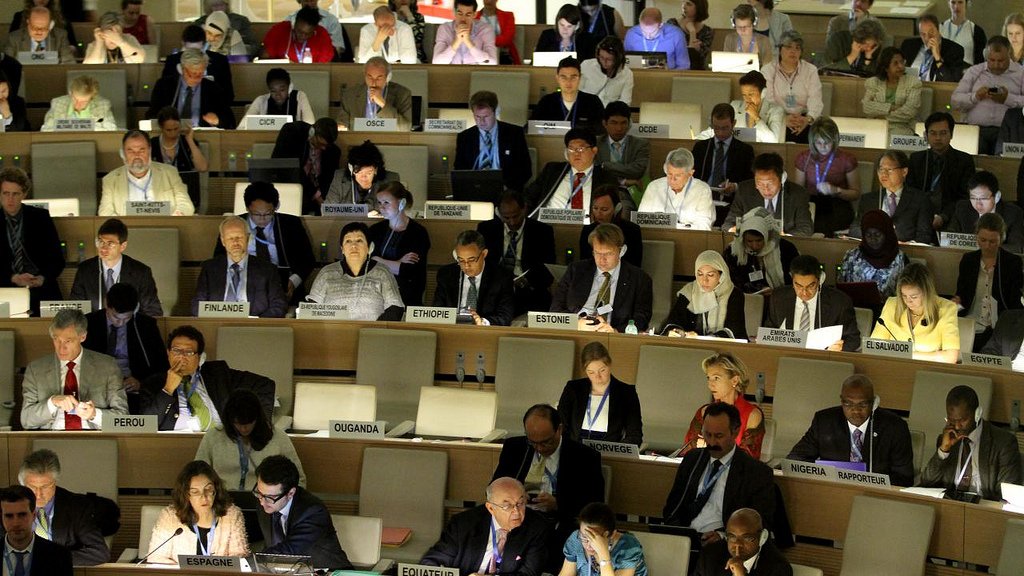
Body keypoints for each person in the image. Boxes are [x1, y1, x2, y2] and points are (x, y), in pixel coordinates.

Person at [491, 404, 603, 573]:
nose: (540, 448)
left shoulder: (584, 457)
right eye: (533, 442)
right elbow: (494, 487)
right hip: (518, 517)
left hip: (558, 523)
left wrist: (558, 504)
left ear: (559, 430)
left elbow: (595, 504)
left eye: (546, 442)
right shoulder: (515, 448)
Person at [663, 402, 775, 549]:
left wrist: (724, 537)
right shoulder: (692, 459)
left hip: (723, 544)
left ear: (735, 432)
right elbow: (672, 506)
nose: (711, 442)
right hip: (685, 537)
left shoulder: (756, 472)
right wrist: (675, 531)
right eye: (707, 434)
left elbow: (759, 523)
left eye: (719, 436)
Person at [139, 325, 276, 432]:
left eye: (188, 352)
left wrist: (257, 426)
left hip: (220, 444)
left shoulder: (218, 374)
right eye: (176, 351)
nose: (181, 357)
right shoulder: (153, 384)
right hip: (177, 445)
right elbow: (145, 425)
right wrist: (167, 390)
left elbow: (265, 385)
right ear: (168, 353)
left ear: (199, 357)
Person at [789, 375, 914, 486]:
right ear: (841, 400)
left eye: (863, 404)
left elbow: (904, 477)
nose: (855, 410)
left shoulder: (895, 428)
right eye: (848, 404)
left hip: (875, 497)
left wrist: (870, 482)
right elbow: (796, 460)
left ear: (874, 403)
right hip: (832, 491)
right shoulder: (824, 421)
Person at [21, 309, 127, 430]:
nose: (61, 348)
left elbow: (123, 418)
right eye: (56, 339)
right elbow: (26, 420)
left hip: (94, 438)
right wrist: (52, 403)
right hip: (50, 437)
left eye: (68, 341)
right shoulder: (36, 369)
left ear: (83, 337)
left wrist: (94, 415)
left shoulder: (107, 366)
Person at [421, 477, 551, 575]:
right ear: (491, 508)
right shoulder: (463, 524)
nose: (516, 511)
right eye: (507, 506)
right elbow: (431, 563)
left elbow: (529, 573)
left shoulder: (537, 527)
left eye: (520, 503)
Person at [216, 182, 316, 306]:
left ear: (275, 207)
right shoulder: (233, 225)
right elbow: (218, 261)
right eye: (256, 214)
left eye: (268, 214)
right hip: (243, 284)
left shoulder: (291, 224)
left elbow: (308, 259)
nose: (262, 219)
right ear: (247, 208)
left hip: (282, 284)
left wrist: (293, 282)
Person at [919, 385, 1021, 500]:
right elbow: (926, 483)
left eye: (962, 420)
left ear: (977, 413)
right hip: (951, 505)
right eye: (952, 420)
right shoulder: (947, 438)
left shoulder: (1003, 443)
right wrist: (943, 450)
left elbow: (1007, 496)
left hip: (984, 509)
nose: (957, 426)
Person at [197, 388, 306, 494]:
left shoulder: (278, 438)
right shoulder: (213, 437)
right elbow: (197, 474)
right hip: (222, 500)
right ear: (229, 420)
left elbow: (298, 480)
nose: (244, 429)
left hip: (266, 501)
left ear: (258, 418)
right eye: (238, 423)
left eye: (249, 423)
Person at [551, 223, 653, 333]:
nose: (602, 260)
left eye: (608, 254)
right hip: (576, 331)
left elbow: (641, 319)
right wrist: (575, 323)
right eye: (597, 253)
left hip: (613, 336)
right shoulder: (576, 270)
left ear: (621, 251)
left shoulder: (639, 278)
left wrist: (615, 331)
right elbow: (556, 308)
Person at [83, 283, 167, 413]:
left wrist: (141, 382)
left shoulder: (145, 325)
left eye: (127, 318)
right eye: (115, 317)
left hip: (131, 387)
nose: (120, 323)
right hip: (98, 386)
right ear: (106, 304)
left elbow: (161, 365)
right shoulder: (88, 323)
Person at [254, 455, 351, 569]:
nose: (262, 502)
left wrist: (249, 561)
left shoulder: (313, 511)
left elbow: (290, 550)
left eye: (270, 497)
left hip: (327, 571)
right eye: (259, 493)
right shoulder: (263, 498)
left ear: (290, 493)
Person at [15, 449, 109, 565]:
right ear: (22, 484)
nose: (38, 495)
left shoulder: (78, 506)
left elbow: (99, 553)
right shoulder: (5, 506)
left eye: (45, 487)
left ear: (55, 482)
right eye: (32, 487)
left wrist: (50, 558)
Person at [145, 460, 248, 564]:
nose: (203, 497)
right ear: (185, 494)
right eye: (195, 492)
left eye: (208, 489)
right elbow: (156, 557)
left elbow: (239, 558)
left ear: (216, 490)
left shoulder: (231, 515)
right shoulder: (169, 517)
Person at [952, 212, 1024, 350]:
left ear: (1001, 240)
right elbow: (961, 294)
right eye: (983, 240)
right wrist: (957, 302)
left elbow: (1014, 301)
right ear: (976, 236)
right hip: (971, 320)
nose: (987, 246)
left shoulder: (1011, 262)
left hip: (1000, 326)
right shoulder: (968, 260)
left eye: (992, 242)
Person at [192, 216, 288, 318]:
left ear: (247, 238)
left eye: (239, 237)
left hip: (254, 327)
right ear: (223, 241)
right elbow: (197, 305)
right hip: (217, 323)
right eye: (230, 238)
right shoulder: (209, 268)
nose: (235, 242)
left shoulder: (267, 270)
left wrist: (258, 322)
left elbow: (279, 305)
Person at [478, 190, 556, 315]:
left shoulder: (542, 231)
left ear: (524, 209)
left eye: (516, 216)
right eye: (506, 217)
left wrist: (525, 281)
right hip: (495, 289)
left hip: (527, 290)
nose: (512, 222)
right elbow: (482, 264)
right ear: (498, 212)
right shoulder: (486, 229)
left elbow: (548, 271)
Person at [307, 221, 405, 321]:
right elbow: (311, 309)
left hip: (371, 333)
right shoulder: (327, 273)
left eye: (359, 240)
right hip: (333, 333)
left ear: (369, 247)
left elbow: (395, 307)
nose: (353, 246)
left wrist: (374, 331)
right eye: (348, 241)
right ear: (342, 249)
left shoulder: (382, 272)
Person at [0, 167, 64, 315]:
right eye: (6, 193)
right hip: (5, 288)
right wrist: (13, 277)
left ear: (24, 194)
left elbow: (57, 259)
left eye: (15, 194)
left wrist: (42, 278)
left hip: (40, 286)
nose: (10, 199)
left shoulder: (40, 217)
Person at [766, 255, 859, 351]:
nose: (804, 293)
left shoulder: (839, 302)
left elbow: (853, 339)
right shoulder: (778, 298)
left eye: (811, 286)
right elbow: (769, 331)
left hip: (823, 360)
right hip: (787, 357)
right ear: (791, 278)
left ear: (820, 279)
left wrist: (840, 348)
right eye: (798, 286)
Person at [871, 262, 960, 363]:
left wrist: (906, 355)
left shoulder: (947, 308)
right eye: (904, 295)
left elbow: (951, 357)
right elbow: (874, 347)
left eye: (914, 297)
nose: (908, 301)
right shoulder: (892, 304)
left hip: (928, 372)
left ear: (927, 293)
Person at [70, 218, 162, 316]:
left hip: (129, 328)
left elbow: (152, 311)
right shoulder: (85, 270)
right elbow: (76, 308)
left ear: (123, 246)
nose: (103, 248)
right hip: (94, 328)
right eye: (101, 242)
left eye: (110, 244)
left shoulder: (140, 272)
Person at [681, 353, 764, 459]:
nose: (710, 384)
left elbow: (747, 461)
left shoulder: (752, 415)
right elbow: (687, 452)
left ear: (734, 380)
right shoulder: (704, 411)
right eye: (708, 378)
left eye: (716, 378)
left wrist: (708, 448)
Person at [558, 342, 643, 445]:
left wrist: (618, 451)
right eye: (591, 372)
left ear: (609, 364)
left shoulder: (626, 393)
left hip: (609, 450)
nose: (597, 377)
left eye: (602, 370)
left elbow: (635, 434)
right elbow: (560, 425)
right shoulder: (573, 389)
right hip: (575, 448)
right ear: (585, 371)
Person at [952, 36, 1023, 155]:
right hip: (976, 129)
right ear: (986, 56)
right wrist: (975, 97)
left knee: (1001, 160)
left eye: (1001, 61)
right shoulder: (974, 71)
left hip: (1008, 132)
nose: (996, 65)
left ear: (1009, 55)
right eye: (991, 60)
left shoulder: (1020, 73)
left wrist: (1007, 99)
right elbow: (954, 100)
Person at [99, 131, 194, 217]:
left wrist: (176, 216)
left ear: (150, 151)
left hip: (164, 229)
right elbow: (105, 212)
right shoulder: (110, 180)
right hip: (129, 232)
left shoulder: (170, 173)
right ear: (123, 153)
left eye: (142, 150)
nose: (136, 155)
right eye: (130, 150)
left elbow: (186, 204)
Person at [792, 118, 860, 236]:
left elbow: (856, 194)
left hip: (838, 202)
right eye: (819, 143)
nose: (823, 147)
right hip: (811, 202)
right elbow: (798, 192)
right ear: (812, 142)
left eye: (827, 142)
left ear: (835, 140)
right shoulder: (803, 158)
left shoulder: (847, 159)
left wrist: (837, 190)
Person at [907, 111, 974, 231]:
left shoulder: (964, 160)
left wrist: (943, 216)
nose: (938, 138)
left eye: (943, 133)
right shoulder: (916, 159)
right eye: (933, 133)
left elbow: (964, 197)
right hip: (919, 216)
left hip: (952, 217)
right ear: (926, 135)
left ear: (951, 134)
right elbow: (910, 192)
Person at [454, 90, 532, 192]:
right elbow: (459, 171)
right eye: (477, 116)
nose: (481, 122)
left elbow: (525, 170)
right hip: (475, 191)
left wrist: (507, 188)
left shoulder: (514, 134)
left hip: (506, 192)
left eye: (486, 116)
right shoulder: (465, 137)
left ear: (496, 112)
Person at [433, 230, 515, 326]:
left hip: (484, 333)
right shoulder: (446, 275)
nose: (466, 266)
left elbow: (505, 316)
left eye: (471, 260)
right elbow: (437, 311)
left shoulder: (502, 277)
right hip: (451, 329)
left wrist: (482, 322)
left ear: (484, 254)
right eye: (461, 260)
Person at [528, 128, 620, 212]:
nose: (576, 154)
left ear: (594, 151)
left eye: (580, 149)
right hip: (549, 225)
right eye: (571, 149)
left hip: (588, 228)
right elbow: (529, 196)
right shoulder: (552, 170)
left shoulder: (606, 177)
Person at [367, 182, 429, 306]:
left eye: (386, 202)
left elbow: (408, 271)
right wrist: (397, 263)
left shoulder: (418, 233)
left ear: (402, 203)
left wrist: (378, 259)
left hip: (406, 297)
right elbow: (368, 264)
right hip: (375, 295)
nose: (381, 207)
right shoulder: (375, 230)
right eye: (379, 202)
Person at [853, 150, 934, 244]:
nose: (884, 174)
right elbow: (854, 230)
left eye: (889, 170)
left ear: (904, 171)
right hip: (873, 251)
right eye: (881, 169)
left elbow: (924, 236)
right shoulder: (868, 200)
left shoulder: (920, 199)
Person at [724, 152, 812, 236]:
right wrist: (733, 230)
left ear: (782, 179)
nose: (765, 189)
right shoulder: (744, 190)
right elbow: (728, 224)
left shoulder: (798, 194)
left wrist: (785, 237)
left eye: (770, 183)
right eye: (760, 184)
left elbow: (806, 229)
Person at [146, 48, 236, 129]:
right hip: (171, 134)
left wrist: (218, 120)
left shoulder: (213, 89)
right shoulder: (164, 86)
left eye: (200, 73)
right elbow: (151, 115)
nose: (196, 78)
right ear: (182, 69)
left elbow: (230, 121)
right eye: (192, 73)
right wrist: (165, 120)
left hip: (203, 137)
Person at [664, 250, 746, 339]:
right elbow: (675, 320)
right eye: (700, 274)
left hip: (723, 346)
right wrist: (676, 331)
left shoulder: (733, 294)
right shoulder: (689, 291)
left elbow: (735, 329)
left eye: (710, 275)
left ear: (721, 275)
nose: (704, 280)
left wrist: (707, 338)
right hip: (690, 346)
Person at [760, 31, 821, 144]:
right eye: (788, 47)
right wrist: (783, 119)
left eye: (797, 48)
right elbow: (768, 100)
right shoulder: (767, 71)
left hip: (803, 119)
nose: (793, 51)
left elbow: (815, 98)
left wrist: (807, 119)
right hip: (776, 119)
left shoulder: (810, 70)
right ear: (780, 49)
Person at [271, 118, 341, 214]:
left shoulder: (333, 151)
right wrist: (317, 196)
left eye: (327, 146)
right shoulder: (292, 133)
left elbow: (329, 179)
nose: (323, 148)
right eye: (321, 144)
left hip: (317, 195)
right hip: (292, 186)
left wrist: (326, 201)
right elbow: (289, 169)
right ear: (312, 132)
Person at [693, 508, 791, 576]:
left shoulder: (778, 568)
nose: (737, 544)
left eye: (747, 538)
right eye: (732, 537)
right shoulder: (710, 556)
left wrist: (740, 574)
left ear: (762, 538)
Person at [557, 502, 647, 576]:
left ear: (611, 535)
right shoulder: (576, 539)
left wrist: (603, 555)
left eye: (594, 538)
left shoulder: (628, 547)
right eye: (584, 536)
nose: (588, 545)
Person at [0, 485, 73, 575]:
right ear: (2, 517)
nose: (16, 523)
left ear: (33, 515)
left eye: (22, 515)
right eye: (9, 516)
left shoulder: (59, 555)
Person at [692, 104, 754, 209]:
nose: (720, 133)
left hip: (731, 202)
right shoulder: (701, 148)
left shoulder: (744, 150)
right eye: (716, 128)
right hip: (701, 199)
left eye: (725, 128)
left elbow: (750, 181)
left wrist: (735, 186)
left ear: (733, 123)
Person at [724, 207, 798, 295]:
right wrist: (755, 290)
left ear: (767, 236)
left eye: (759, 240)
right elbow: (730, 281)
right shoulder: (734, 252)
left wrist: (776, 292)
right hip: (747, 300)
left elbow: (796, 279)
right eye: (749, 241)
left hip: (781, 297)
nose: (754, 246)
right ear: (743, 238)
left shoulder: (786, 249)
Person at [838, 210, 910, 299]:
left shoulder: (900, 260)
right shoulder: (852, 257)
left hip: (888, 311)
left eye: (877, 235)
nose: (873, 239)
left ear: (887, 233)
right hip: (857, 309)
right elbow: (841, 291)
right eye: (868, 235)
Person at [947, 171, 1024, 253]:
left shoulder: (1013, 213)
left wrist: (983, 249)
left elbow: (1016, 247)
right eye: (973, 198)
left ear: (997, 196)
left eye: (983, 198)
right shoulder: (962, 208)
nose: (978, 204)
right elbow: (948, 239)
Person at [638, 148, 714, 230]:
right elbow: (641, 221)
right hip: (657, 238)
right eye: (669, 174)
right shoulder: (654, 187)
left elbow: (704, 227)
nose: (672, 179)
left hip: (689, 239)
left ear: (690, 173)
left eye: (678, 176)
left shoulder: (702, 190)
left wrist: (673, 226)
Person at [531, 57, 605, 135]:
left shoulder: (593, 102)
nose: (568, 82)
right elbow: (532, 127)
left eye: (573, 77)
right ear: (557, 78)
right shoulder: (546, 102)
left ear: (580, 78)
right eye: (563, 77)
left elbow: (601, 131)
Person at [162, 24, 234, 104]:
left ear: (204, 44)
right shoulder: (172, 61)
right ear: (183, 44)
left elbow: (229, 95)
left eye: (197, 51)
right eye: (190, 51)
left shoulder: (219, 61)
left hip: (211, 107)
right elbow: (164, 92)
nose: (194, 55)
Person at [338, 57, 413, 131]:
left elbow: (405, 128)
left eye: (379, 78)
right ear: (364, 75)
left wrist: (383, 104)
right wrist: (341, 126)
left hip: (389, 140)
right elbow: (343, 124)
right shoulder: (350, 95)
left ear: (388, 77)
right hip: (358, 141)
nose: (373, 83)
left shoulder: (403, 94)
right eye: (370, 77)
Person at [578, 185, 643, 267]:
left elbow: (634, 266)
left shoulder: (632, 230)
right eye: (595, 208)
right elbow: (584, 265)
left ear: (617, 208)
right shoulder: (588, 230)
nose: (598, 213)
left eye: (604, 209)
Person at [863, 47, 922, 136]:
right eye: (895, 63)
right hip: (876, 126)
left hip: (902, 127)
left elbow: (909, 112)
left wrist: (882, 116)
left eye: (902, 62)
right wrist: (891, 107)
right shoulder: (873, 82)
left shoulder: (913, 83)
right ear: (886, 67)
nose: (901, 66)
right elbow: (867, 107)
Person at [324, 140, 400, 207]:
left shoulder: (391, 180)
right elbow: (328, 208)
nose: (364, 177)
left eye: (369, 173)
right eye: (359, 172)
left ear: (376, 170)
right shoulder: (340, 178)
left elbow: (396, 210)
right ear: (351, 170)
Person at [596, 101, 648, 192]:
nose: (619, 128)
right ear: (605, 123)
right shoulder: (595, 143)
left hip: (630, 194)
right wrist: (623, 181)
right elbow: (594, 173)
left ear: (629, 124)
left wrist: (605, 165)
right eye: (614, 123)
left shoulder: (641, 144)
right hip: (601, 192)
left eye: (623, 123)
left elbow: (637, 171)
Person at [900, 14, 965, 82]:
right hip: (910, 88)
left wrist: (937, 57)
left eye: (931, 32)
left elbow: (951, 81)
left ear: (938, 29)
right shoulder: (908, 45)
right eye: (923, 34)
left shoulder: (954, 50)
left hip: (936, 90)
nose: (927, 38)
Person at [152, 106, 209, 183]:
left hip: (184, 186)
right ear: (161, 127)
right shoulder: (152, 144)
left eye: (176, 129)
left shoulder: (185, 142)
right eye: (168, 130)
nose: (173, 133)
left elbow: (202, 168)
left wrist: (190, 140)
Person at [41, 75, 117, 132]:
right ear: (70, 93)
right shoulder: (58, 103)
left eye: (83, 102)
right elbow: (46, 130)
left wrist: (72, 125)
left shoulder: (102, 105)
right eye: (75, 99)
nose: (77, 105)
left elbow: (111, 130)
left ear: (92, 98)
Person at [285, 0, 353, 62]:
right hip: (294, 61)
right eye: (306, 1)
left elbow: (338, 49)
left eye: (312, 1)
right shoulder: (289, 20)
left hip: (324, 63)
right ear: (300, 1)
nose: (309, 4)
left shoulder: (331, 20)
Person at [433, 0, 497, 64]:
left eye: (468, 15)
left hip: (476, 73)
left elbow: (492, 63)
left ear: (474, 14)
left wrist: (468, 42)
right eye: (460, 14)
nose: (463, 19)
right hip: (451, 72)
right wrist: (457, 41)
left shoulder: (485, 30)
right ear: (454, 13)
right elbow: (436, 62)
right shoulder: (445, 28)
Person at [261, 7, 334, 63]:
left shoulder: (322, 34)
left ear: (315, 30)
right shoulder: (279, 30)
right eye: (299, 31)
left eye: (307, 34)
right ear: (294, 24)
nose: (302, 36)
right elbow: (264, 58)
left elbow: (325, 66)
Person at [624, 7, 689, 70]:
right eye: (643, 31)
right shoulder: (631, 34)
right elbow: (625, 63)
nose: (648, 36)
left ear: (661, 25)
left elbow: (684, 65)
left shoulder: (676, 34)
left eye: (652, 32)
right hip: (637, 76)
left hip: (667, 77)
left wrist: (668, 76)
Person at [242, 68, 315, 124]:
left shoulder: (299, 97)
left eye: (282, 90)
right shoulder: (261, 100)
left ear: (289, 88)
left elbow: (310, 124)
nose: (278, 95)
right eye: (273, 91)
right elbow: (242, 128)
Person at [4, 7, 75, 63]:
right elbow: (7, 65)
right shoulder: (14, 38)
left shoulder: (60, 36)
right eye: (34, 27)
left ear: (50, 25)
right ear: (28, 22)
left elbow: (68, 64)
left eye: (44, 28)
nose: (39, 31)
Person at [580, 36, 633, 106]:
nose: (604, 62)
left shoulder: (627, 74)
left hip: (610, 114)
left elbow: (625, 103)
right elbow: (577, 93)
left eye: (609, 59)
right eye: (601, 57)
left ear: (618, 59)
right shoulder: (586, 65)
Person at [824, 0, 890, 49]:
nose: (858, 3)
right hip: (842, 62)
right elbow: (830, 46)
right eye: (856, 0)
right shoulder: (837, 21)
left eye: (863, 1)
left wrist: (861, 22)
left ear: (869, 5)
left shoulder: (876, 25)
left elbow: (882, 48)